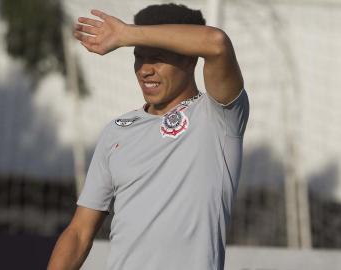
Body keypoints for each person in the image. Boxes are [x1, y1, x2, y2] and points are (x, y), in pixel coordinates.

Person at [47, 3, 249, 270]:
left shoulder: (219, 115)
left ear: (190, 58)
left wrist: (127, 34)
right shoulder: (117, 130)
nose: (145, 69)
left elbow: (217, 43)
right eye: (139, 57)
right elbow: (79, 232)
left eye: (158, 58)